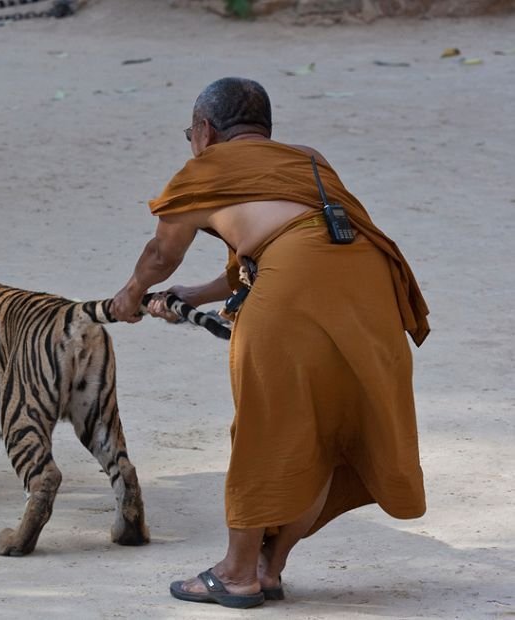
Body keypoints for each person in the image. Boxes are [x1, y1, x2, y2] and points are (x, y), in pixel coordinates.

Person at [110, 77, 429, 609]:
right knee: (327, 434)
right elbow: (292, 238)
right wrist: (201, 293)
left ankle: (236, 574)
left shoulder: (203, 168)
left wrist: (130, 293)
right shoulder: (306, 159)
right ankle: (268, 566)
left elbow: (161, 255)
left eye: (190, 132)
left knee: (266, 425)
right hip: (369, 290)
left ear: (205, 131)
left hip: (297, 286)